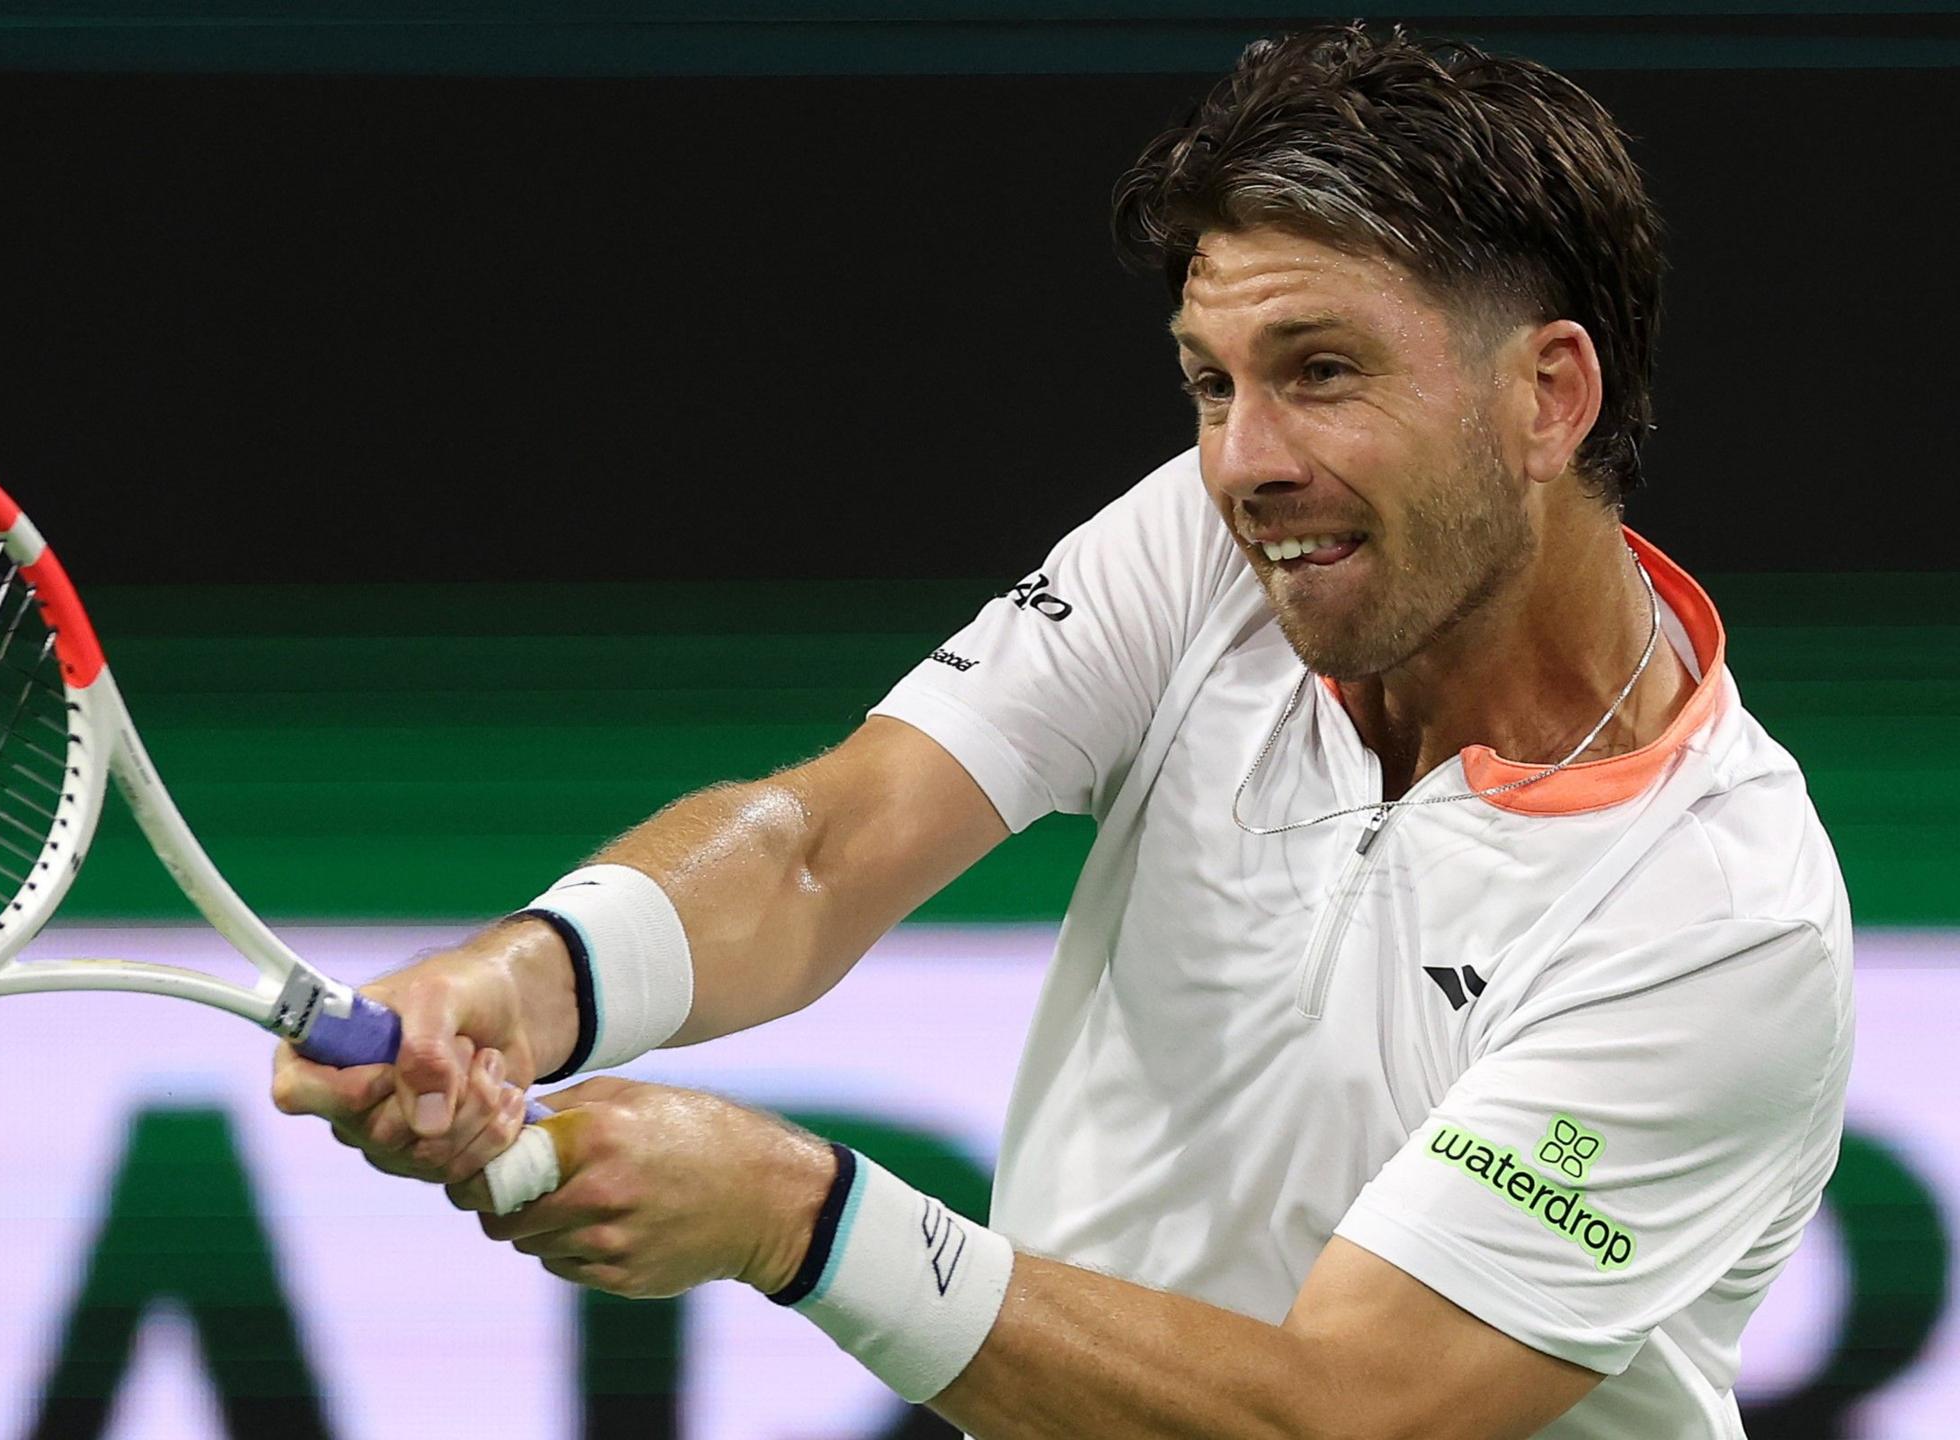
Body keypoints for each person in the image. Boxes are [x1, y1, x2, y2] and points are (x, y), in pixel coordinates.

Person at [272, 23, 1851, 1438]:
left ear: (1549, 397)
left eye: (1321, 371)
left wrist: (798, 1219)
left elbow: (1345, 1420)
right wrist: (525, 982)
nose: (1246, 459)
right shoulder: (1219, 547)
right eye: (1209, 383)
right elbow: (827, 849)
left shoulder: (1721, 922)